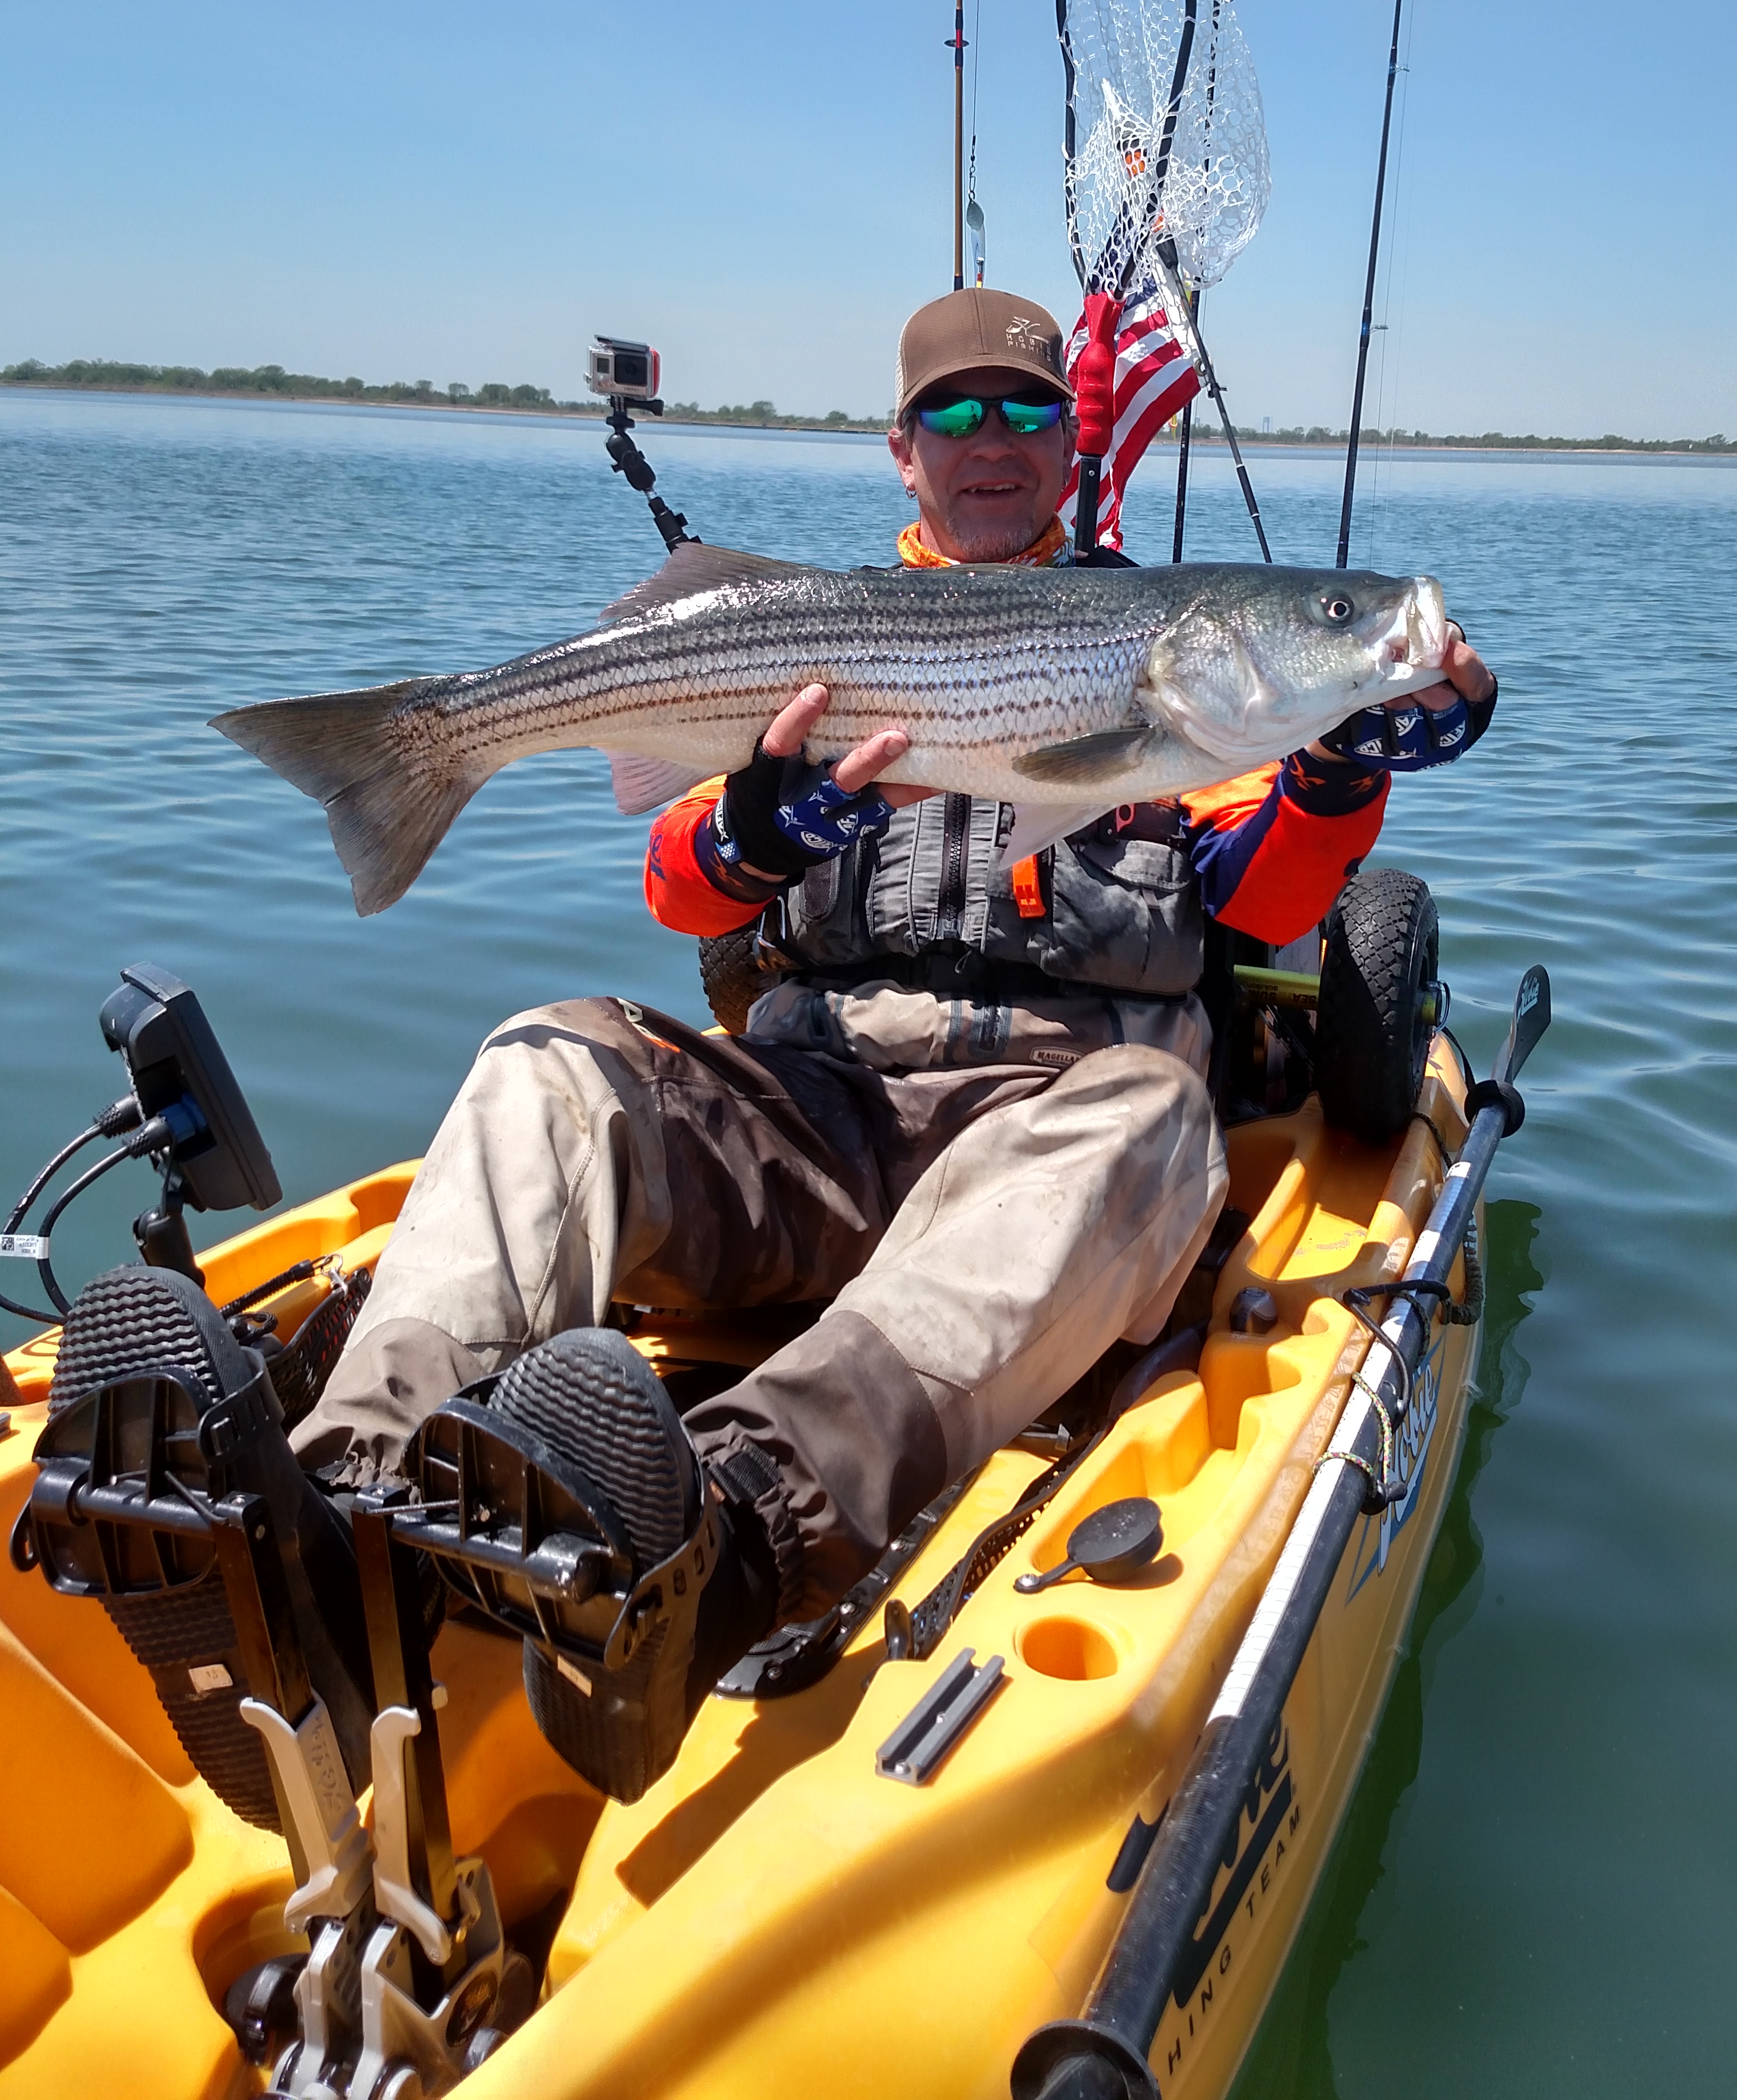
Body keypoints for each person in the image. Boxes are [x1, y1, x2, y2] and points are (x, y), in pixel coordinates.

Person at [40, 286, 1496, 1820]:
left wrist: (1338, 762)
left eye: (1025, 413)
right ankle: (332, 1523)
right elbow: (680, 887)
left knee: (1153, 1116)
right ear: (903, 449)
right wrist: (751, 819)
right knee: (550, 1056)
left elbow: (1263, 899)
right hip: (821, 1108)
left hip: (1059, 1126)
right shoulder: (804, 635)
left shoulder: (1175, 667)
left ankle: (718, 1551)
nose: (990, 441)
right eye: (956, 414)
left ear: (1075, 447)